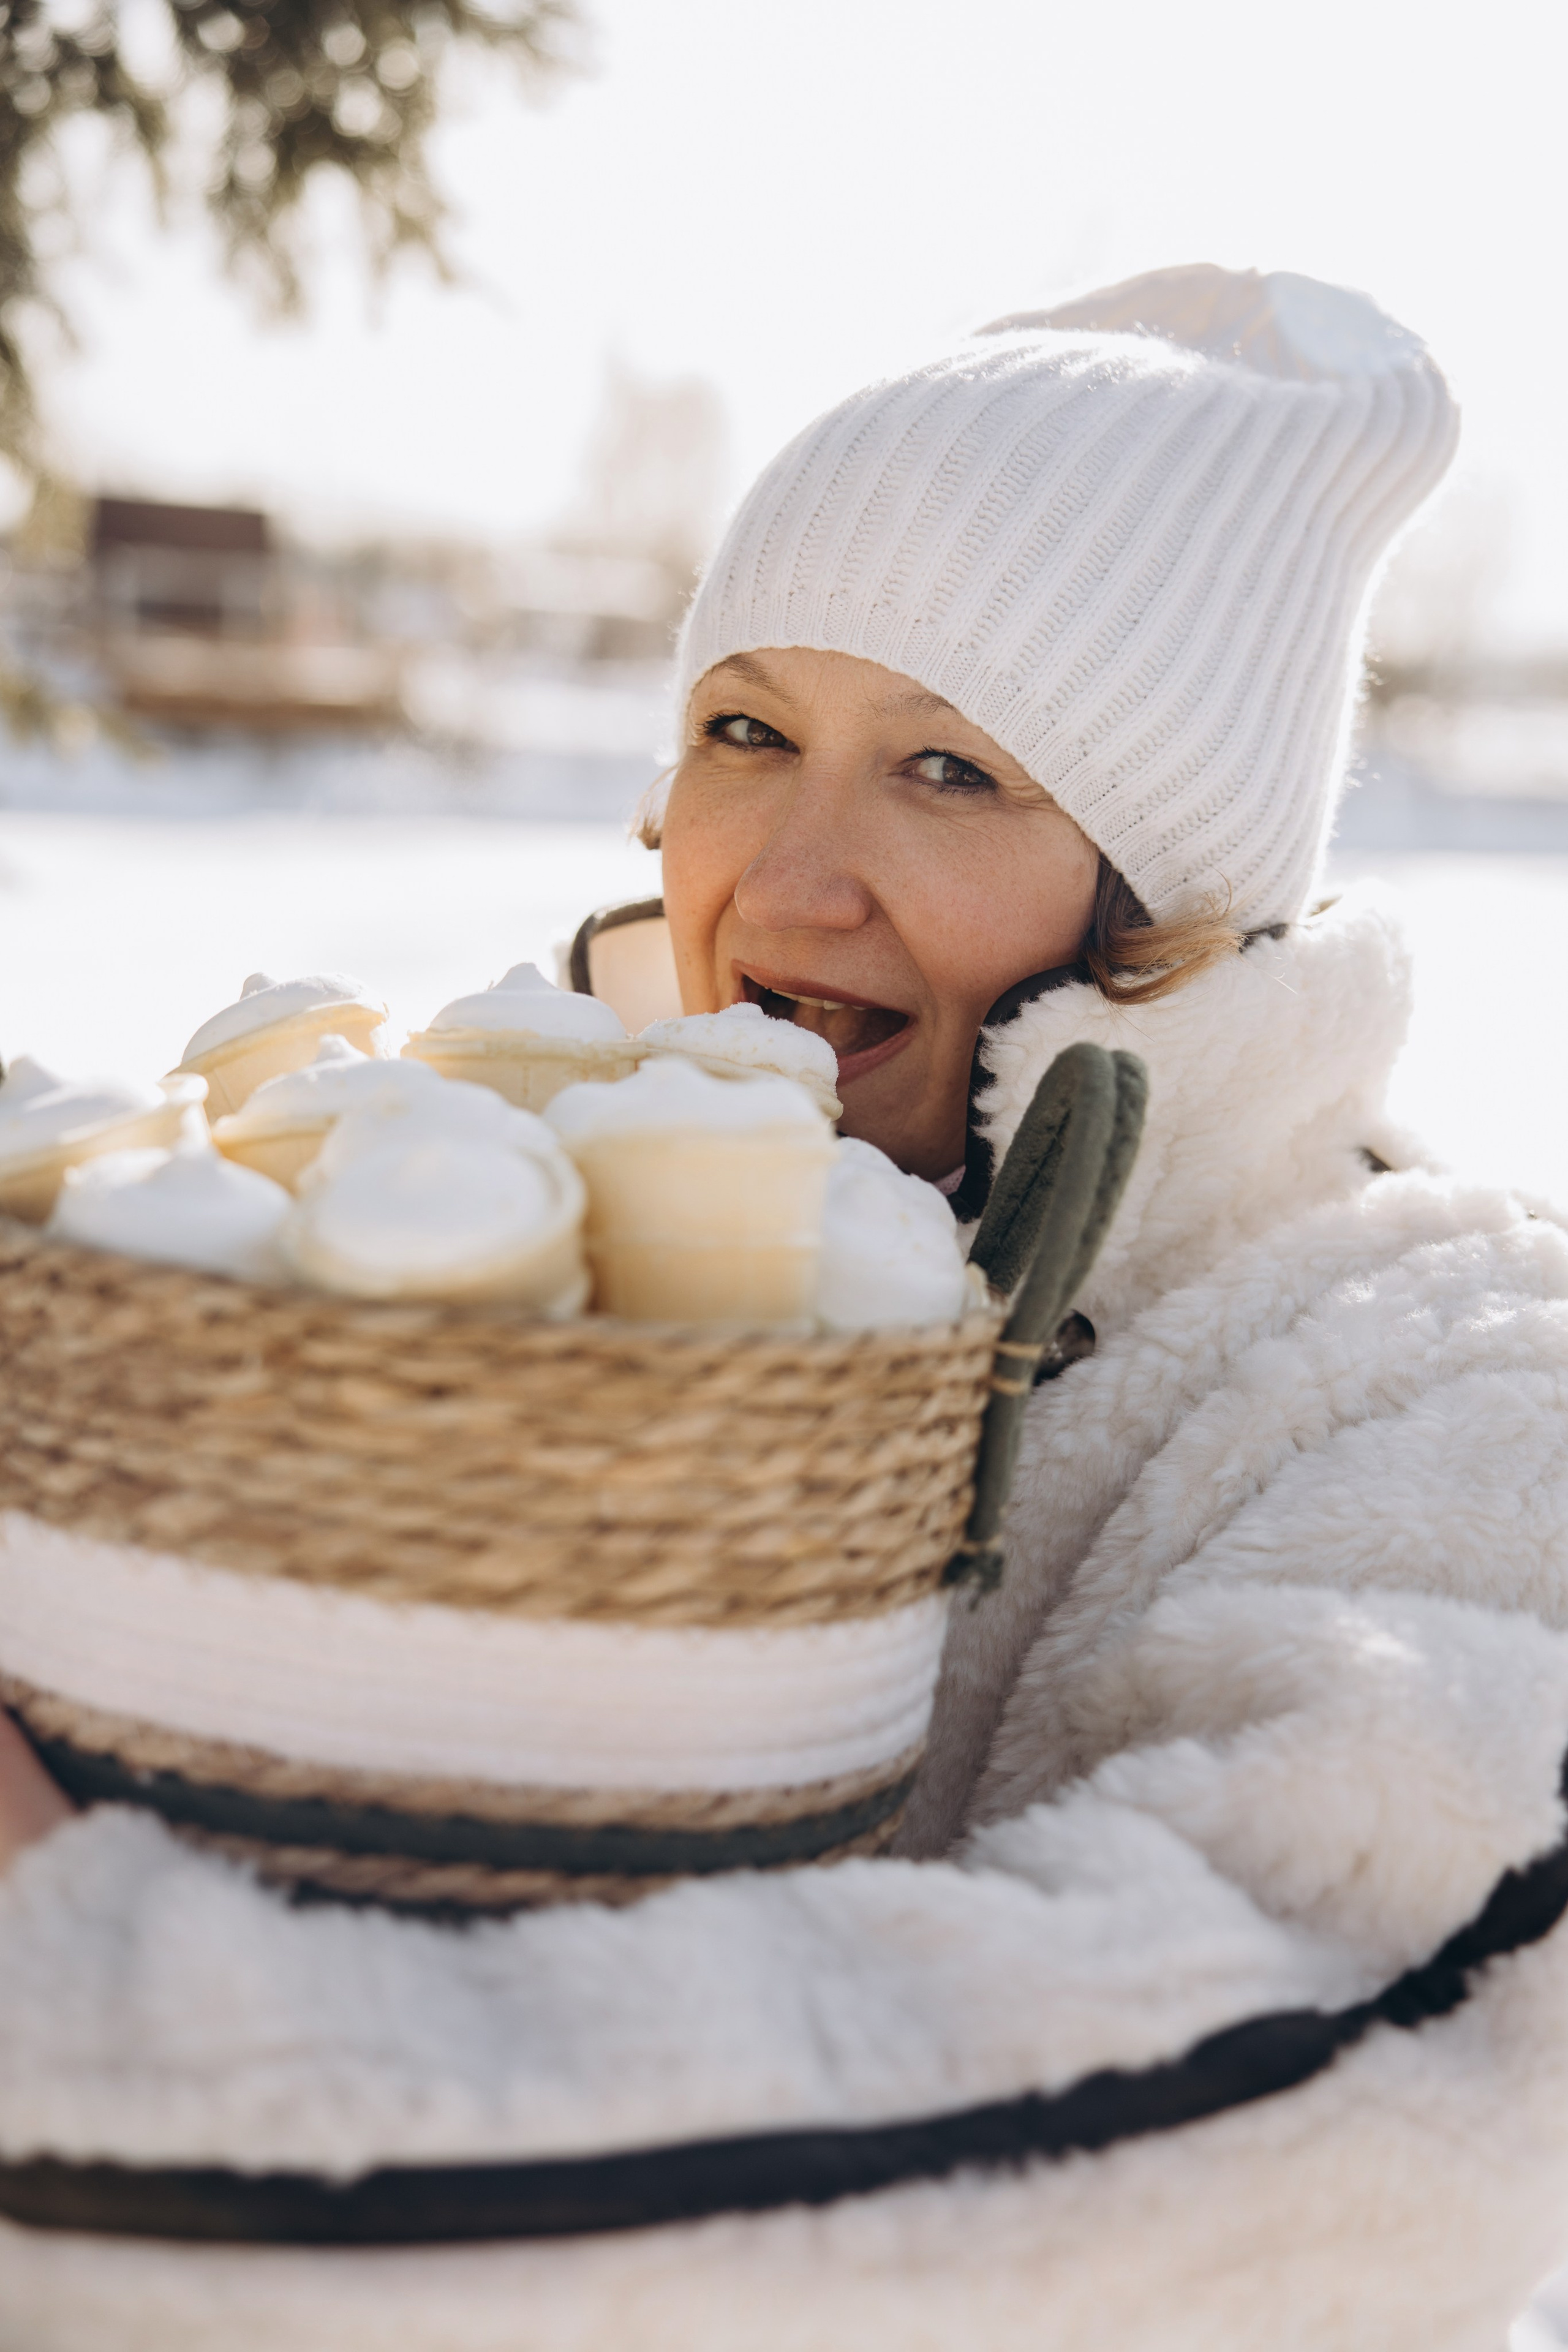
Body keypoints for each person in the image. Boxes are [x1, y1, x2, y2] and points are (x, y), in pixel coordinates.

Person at [6, 263, 1568, 2352]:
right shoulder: (469, 1244)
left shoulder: (1441, 1381)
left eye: (953, 775)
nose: (796, 884)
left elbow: (1252, 2130)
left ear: (1182, 902)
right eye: (747, 731)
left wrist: (82, 1986)